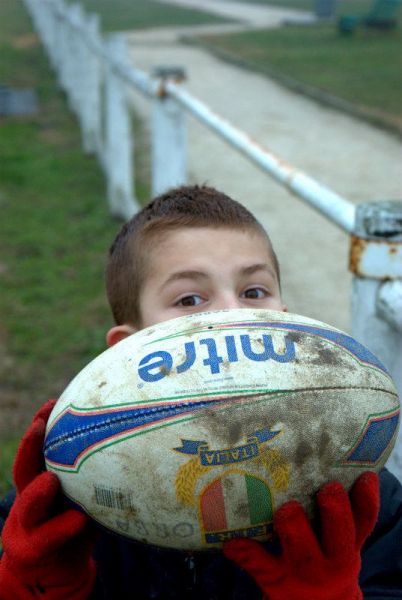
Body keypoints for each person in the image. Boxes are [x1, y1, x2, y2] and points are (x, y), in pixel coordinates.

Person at [0, 185, 401, 599]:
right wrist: (35, 588)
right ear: (125, 351)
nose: (232, 315)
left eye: (253, 292)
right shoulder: (77, 492)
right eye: (190, 299)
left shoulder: (354, 485)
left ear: (287, 320)